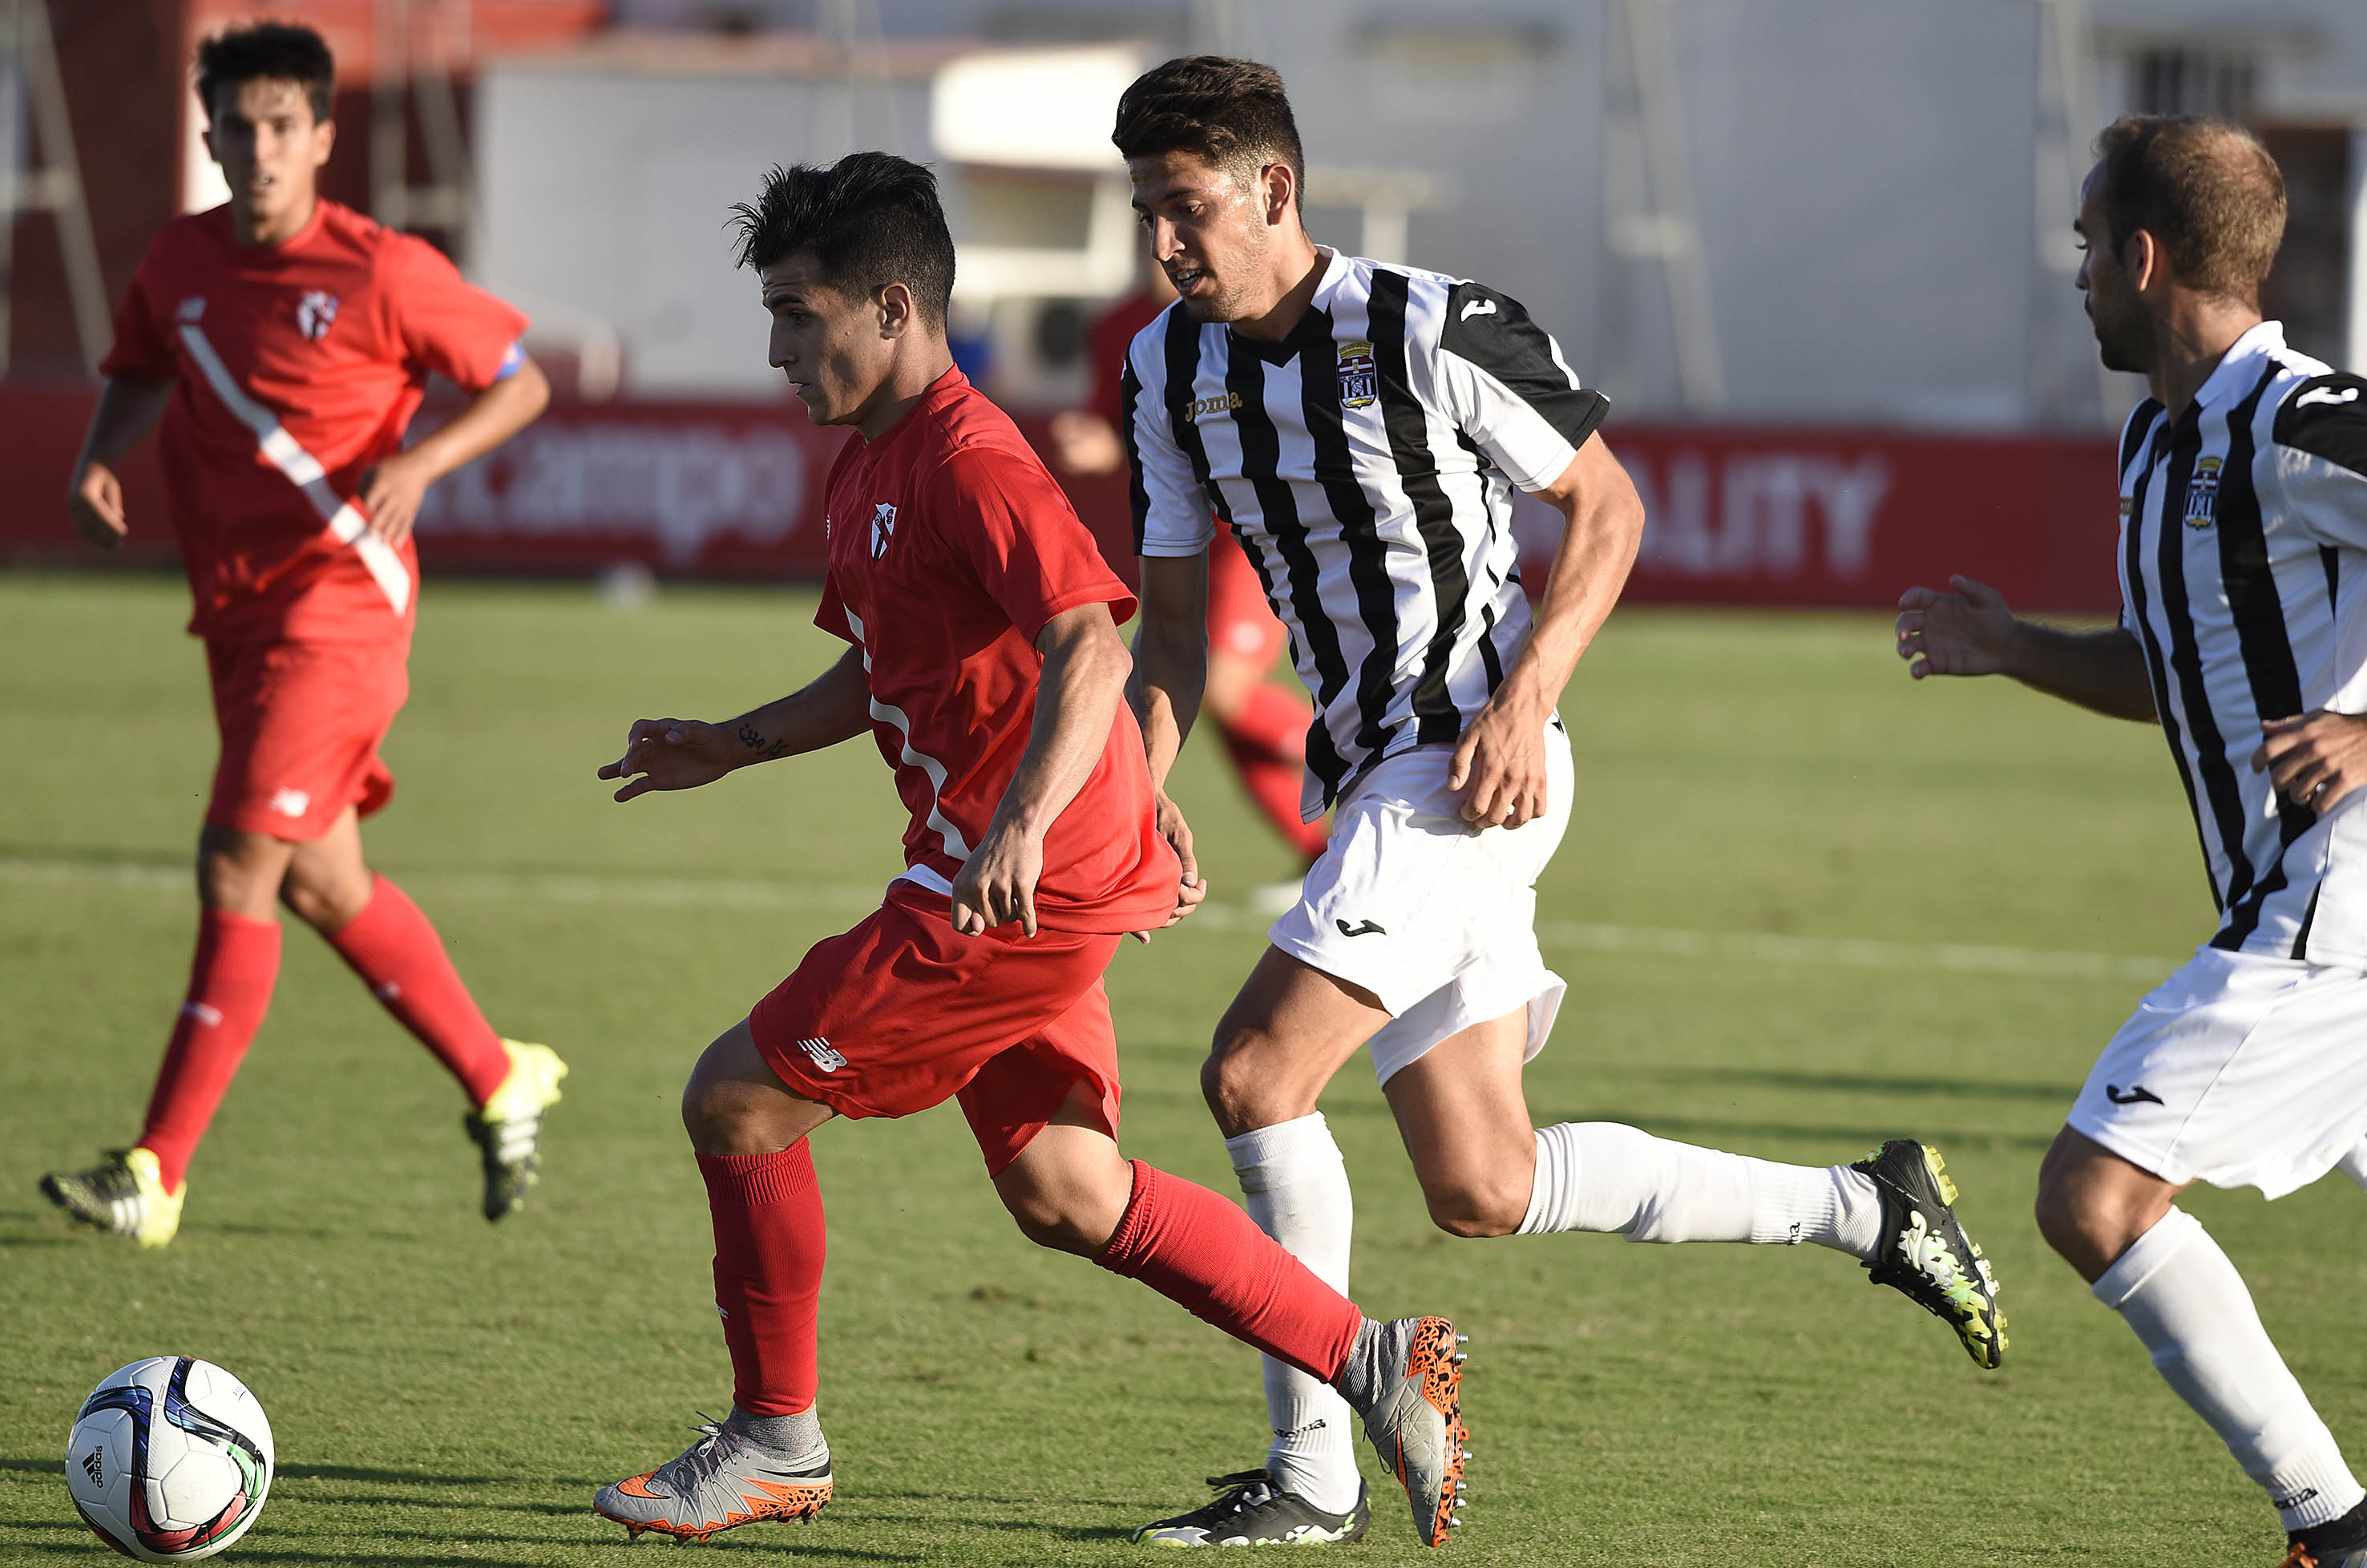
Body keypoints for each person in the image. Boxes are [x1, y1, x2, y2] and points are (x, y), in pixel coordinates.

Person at [1117, 57, 2005, 1547]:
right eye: (1144, 211)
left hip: (1468, 761)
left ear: (1271, 189)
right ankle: (1874, 1209)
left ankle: (1315, 1473)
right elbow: (1168, 630)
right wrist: (1139, 793)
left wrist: (1528, 699)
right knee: (1482, 1177)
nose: (1161, 243)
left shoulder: (1422, 323)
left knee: (1253, 1079)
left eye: (1184, 207)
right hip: (1377, 783)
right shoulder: (1161, 371)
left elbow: (1607, 506)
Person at [588, 152, 1468, 1550]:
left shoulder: (969, 456)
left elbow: (1086, 641)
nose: (774, 351)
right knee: (1068, 1189)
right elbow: (885, 669)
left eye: (796, 317)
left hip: (1011, 885)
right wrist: (735, 742)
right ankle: (1373, 1360)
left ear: (889, 306)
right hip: (1021, 864)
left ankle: (776, 1442)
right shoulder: (868, 458)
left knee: (736, 1104)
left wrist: (1024, 821)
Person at [1900, 115, 2367, 1568]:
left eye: (2084, 245)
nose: (2076, 273)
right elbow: (2187, 674)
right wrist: (2016, 650)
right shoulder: (2161, 441)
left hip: (2332, 906)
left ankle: (2334, 1529)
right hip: (2298, 904)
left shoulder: (2295, 418)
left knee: (2091, 1192)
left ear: (2140, 255)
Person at [40, 22, 563, 1249]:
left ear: (324, 138)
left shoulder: (381, 268)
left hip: (340, 613)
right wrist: (94, 460)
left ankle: (156, 1171)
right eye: (237, 127)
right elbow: (141, 364)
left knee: (235, 863)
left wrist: (425, 462)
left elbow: (522, 379)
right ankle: (500, 1076)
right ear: (211, 136)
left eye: (284, 127)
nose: (260, 148)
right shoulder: (176, 259)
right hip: (237, 612)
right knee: (323, 880)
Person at [1051, 256, 1329, 887]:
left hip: (1246, 530)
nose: (1166, 243)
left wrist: (1110, 447)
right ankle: (1316, 853)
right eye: (1152, 221)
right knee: (1217, 710)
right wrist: (1095, 440)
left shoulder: (1238, 312)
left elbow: (1245, 421)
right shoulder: (1116, 326)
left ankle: (1366, 754)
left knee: (1228, 691)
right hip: (1182, 535)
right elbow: (1127, 425)